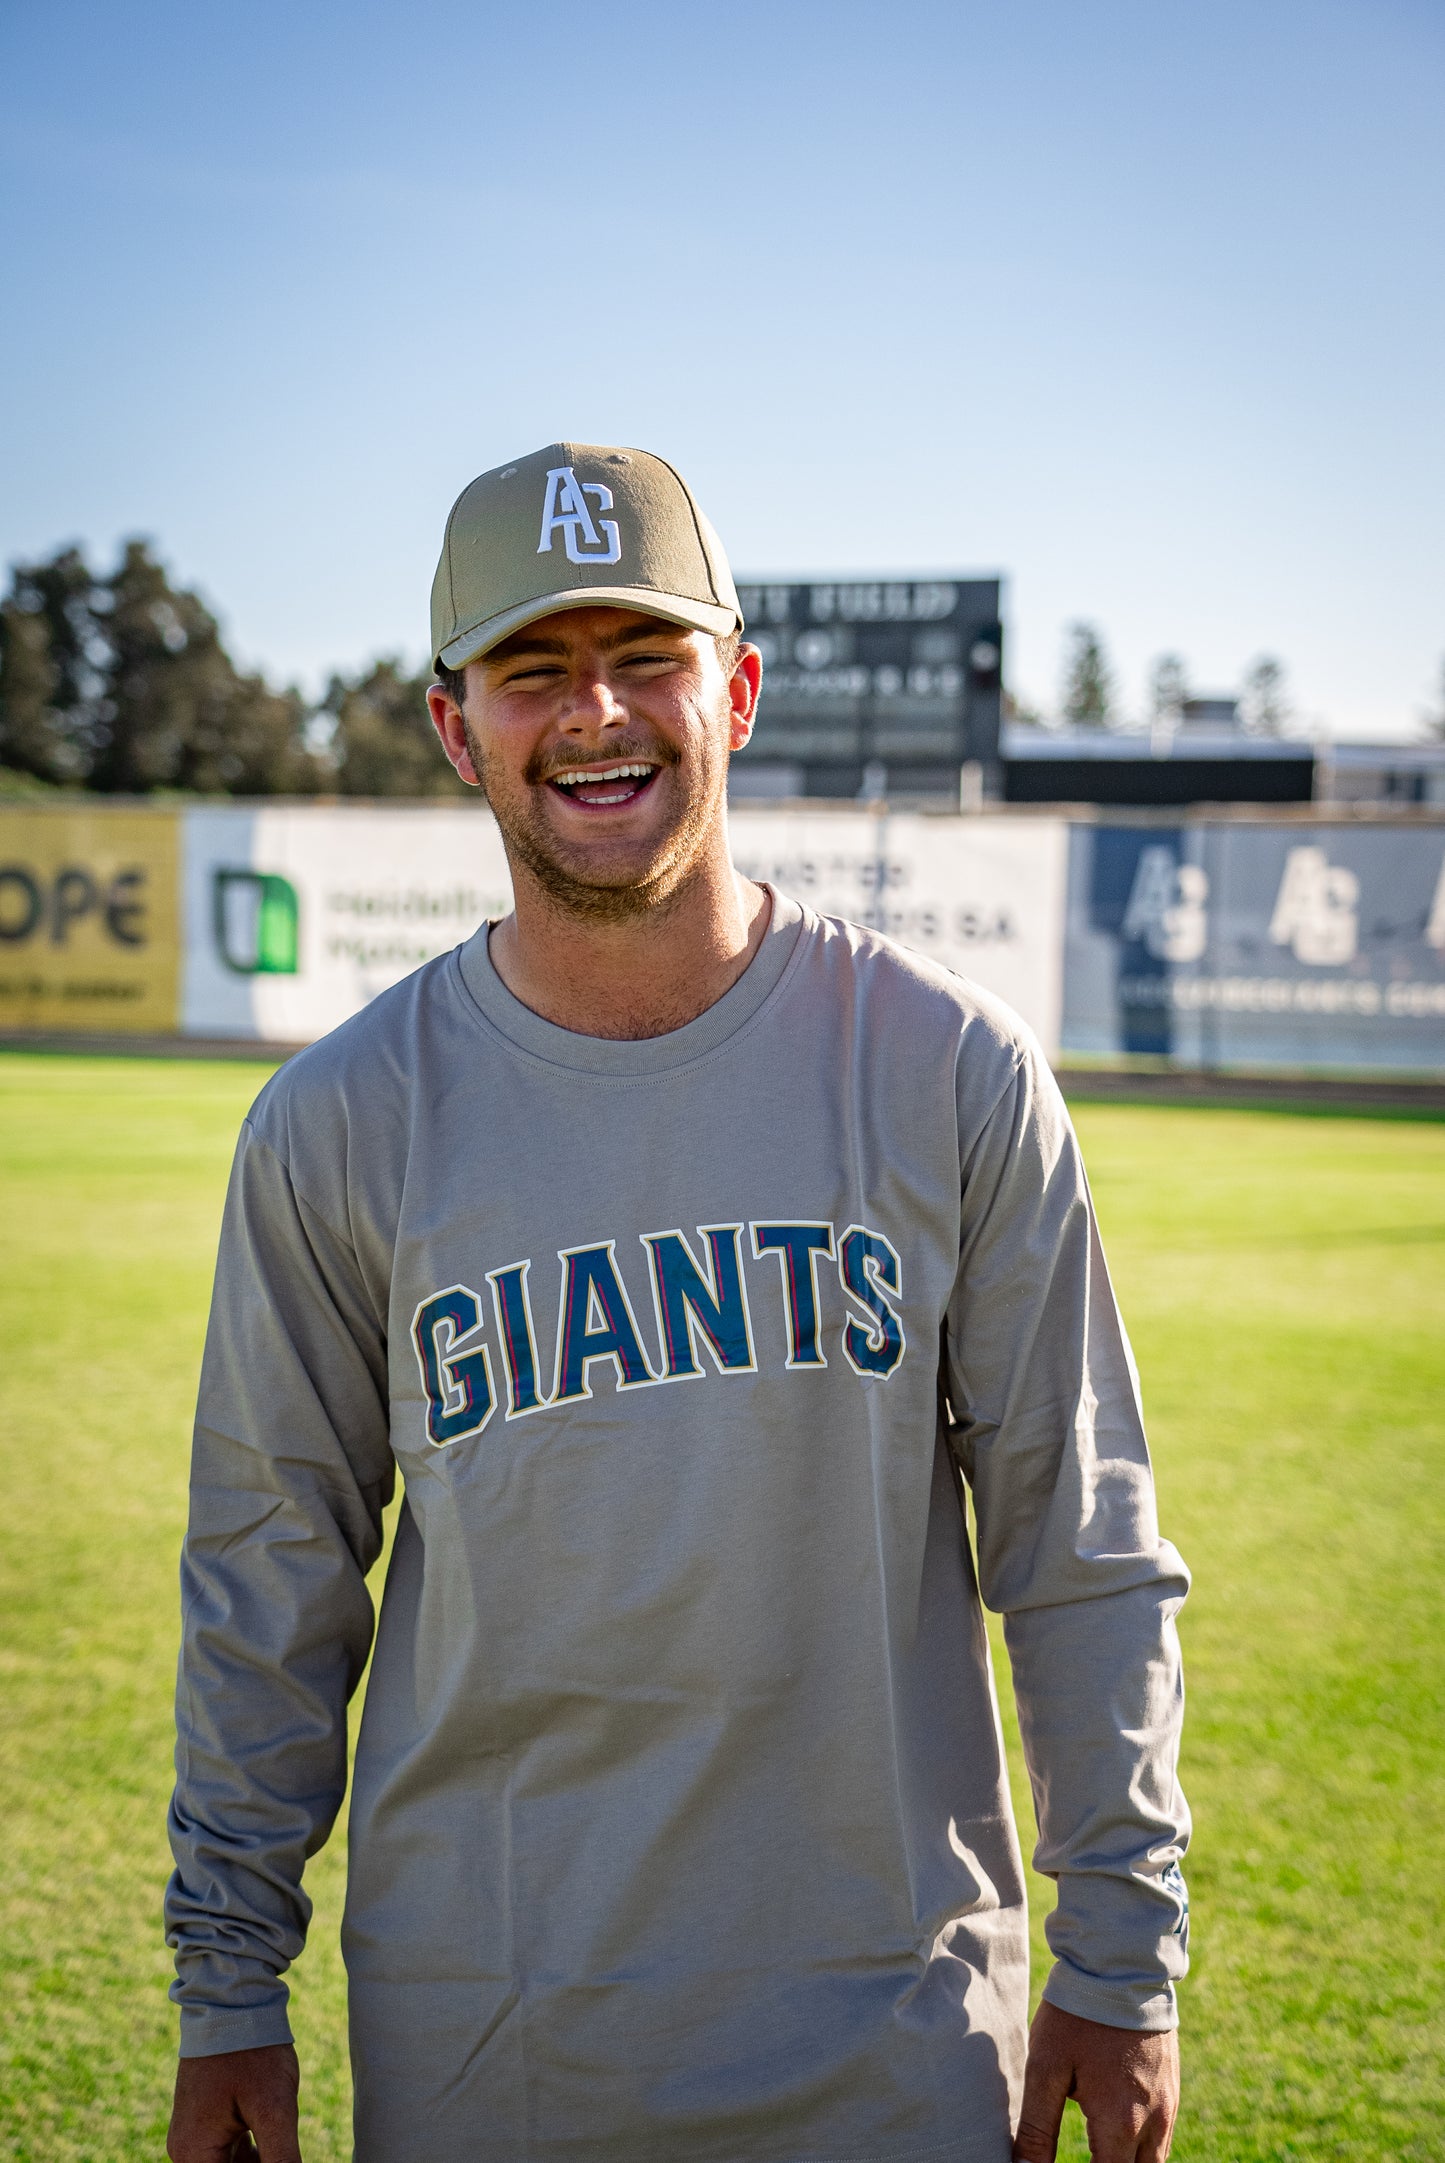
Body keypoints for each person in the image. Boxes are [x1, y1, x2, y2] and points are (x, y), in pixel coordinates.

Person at [165, 443, 1189, 2163]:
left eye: (643, 656)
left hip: (892, 2034)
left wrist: (1125, 1954)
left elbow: (1075, 1551)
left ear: (738, 685)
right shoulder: (338, 1123)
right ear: (452, 725)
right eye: (531, 668)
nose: (595, 714)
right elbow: (269, 1579)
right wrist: (226, 1990)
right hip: (487, 2038)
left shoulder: (944, 1067)